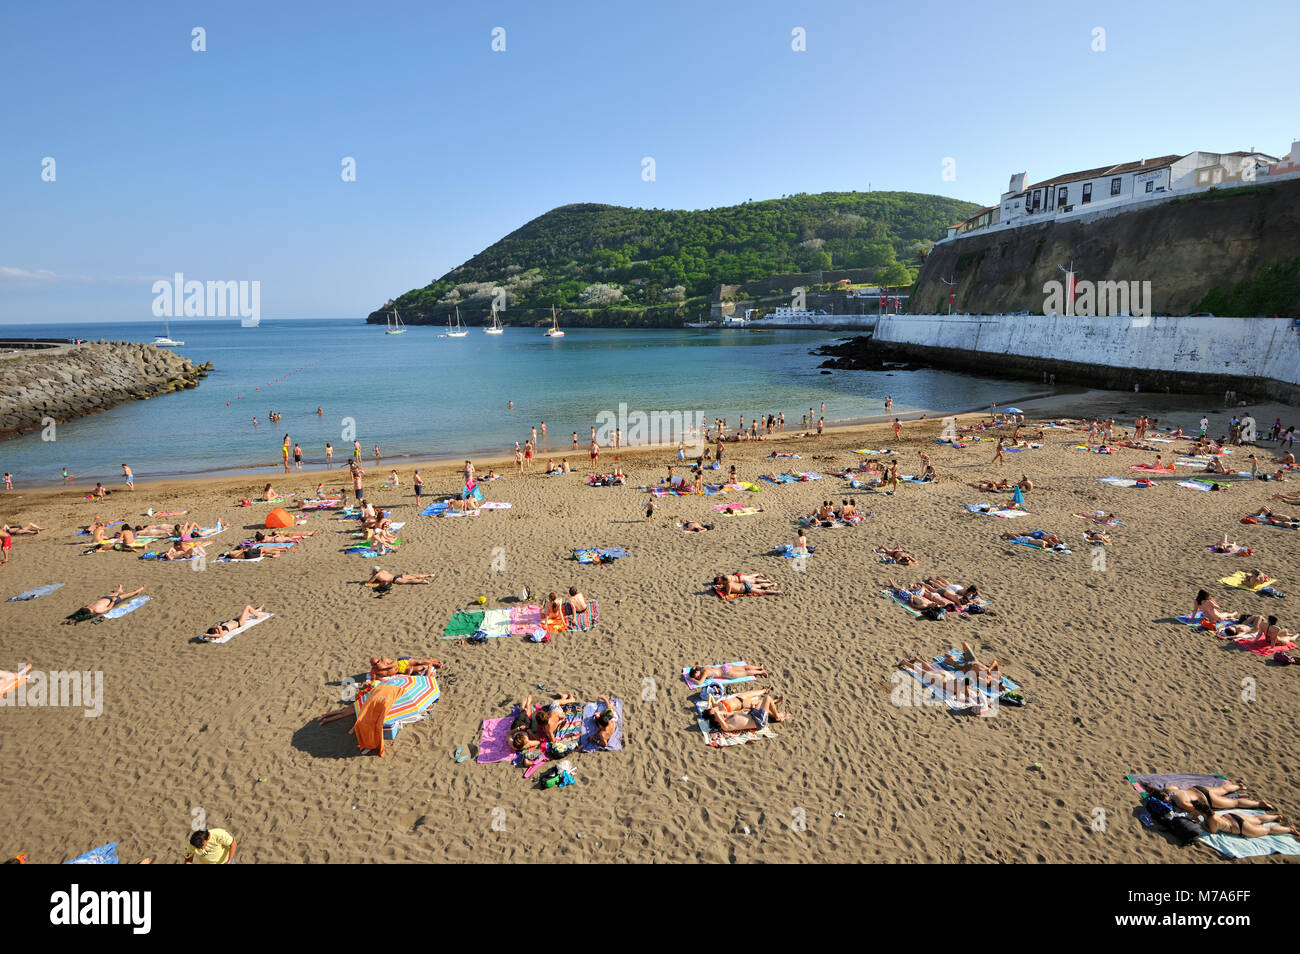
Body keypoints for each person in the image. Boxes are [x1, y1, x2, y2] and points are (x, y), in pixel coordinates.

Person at [707, 690, 788, 732]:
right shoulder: (726, 726)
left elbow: (741, 713)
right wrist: (713, 712)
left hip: (753, 714)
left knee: (758, 702)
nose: (721, 715)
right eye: (717, 716)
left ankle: (774, 708)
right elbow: (718, 714)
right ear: (717, 721)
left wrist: (751, 709)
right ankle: (777, 716)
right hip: (759, 721)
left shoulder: (727, 716)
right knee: (767, 698)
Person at [63, 584, 147, 624]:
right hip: (111, 601)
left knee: (117, 592)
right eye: (90, 608)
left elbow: (78, 613)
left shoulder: (87, 608)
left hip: (105, 598)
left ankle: (120, 590)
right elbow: (108, 608)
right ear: (91, 612)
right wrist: (113, 601)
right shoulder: (97, 610)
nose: (90, 606)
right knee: (129, 594)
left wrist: (72, 618)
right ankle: (139, 590)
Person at [201, 605, 269, 640]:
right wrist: (208, 635)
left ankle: (258, 610)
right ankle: (258, 616)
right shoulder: (223, 631)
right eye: (215, 631)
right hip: (239, 622)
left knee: (248, 613)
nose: (215, 629)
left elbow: (216, 627)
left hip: (235, 619)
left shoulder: (219, 627)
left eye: (214, 629)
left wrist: (209, 632)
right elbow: (220, 635)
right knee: (247, 607)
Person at [714, 573, 782, 596]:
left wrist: (720, 590)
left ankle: (777, 592)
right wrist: (721, 587)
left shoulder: (728, 585)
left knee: (762, 592)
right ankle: (772, 584)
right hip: (745, 584)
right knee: (760, 585)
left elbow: (728, 594)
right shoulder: (729, 582)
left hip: (746, 588)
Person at [369, 655, 441, 677]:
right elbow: (374, 678)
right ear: (372, 665)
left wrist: (385, 667)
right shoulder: (374, 671)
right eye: (375, 664)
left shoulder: (384, 660)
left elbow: (395, 663)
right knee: (420, 667)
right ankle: (431, 664)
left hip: (400, 662)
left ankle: (436, 663)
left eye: (378, 661)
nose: (377, 664)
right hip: (401, 669)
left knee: (419, 661)